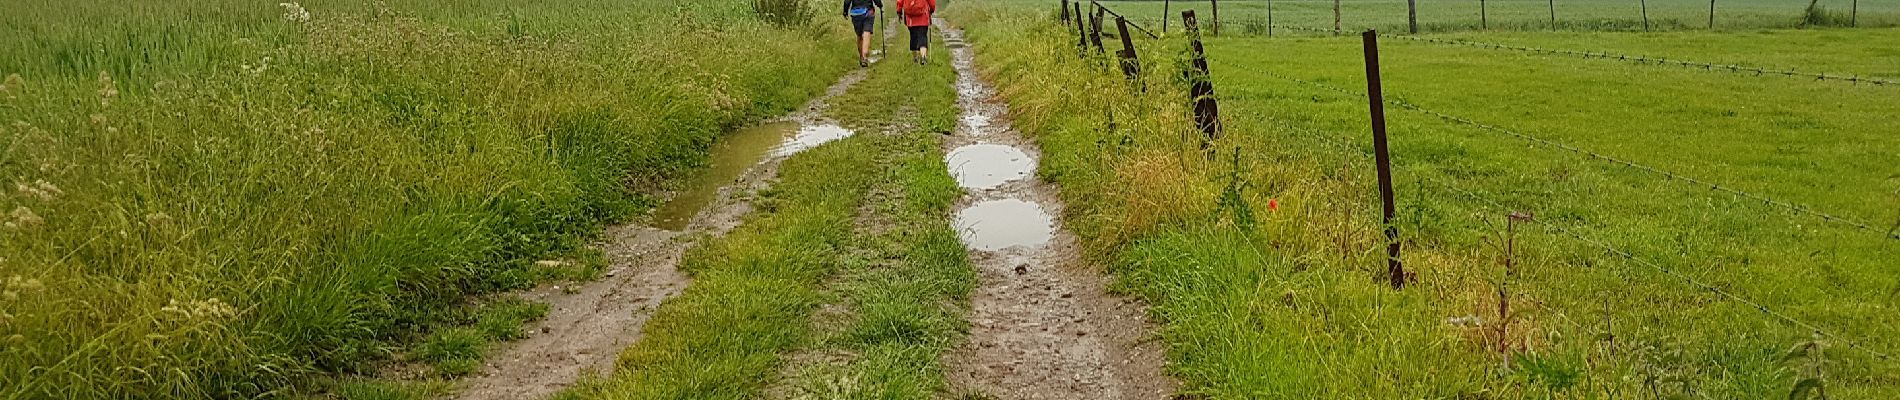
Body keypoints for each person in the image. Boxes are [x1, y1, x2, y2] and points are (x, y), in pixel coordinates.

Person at [843, 0, 884, 67]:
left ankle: (862, 57)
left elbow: (847, 1)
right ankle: (864, 57)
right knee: (867, 32)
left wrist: (845, 11)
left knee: (859, 36)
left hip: (855, 13)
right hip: (868, 11)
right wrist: (880, 5)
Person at [895, 0, 936, 64]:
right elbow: (932, 3)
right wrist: (931, 10)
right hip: (923, 17)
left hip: (910, 18)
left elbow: (900, 1)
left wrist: (899, 12)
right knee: (922, 36)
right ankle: (923, 57)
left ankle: (915, 58)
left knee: (913, 37)